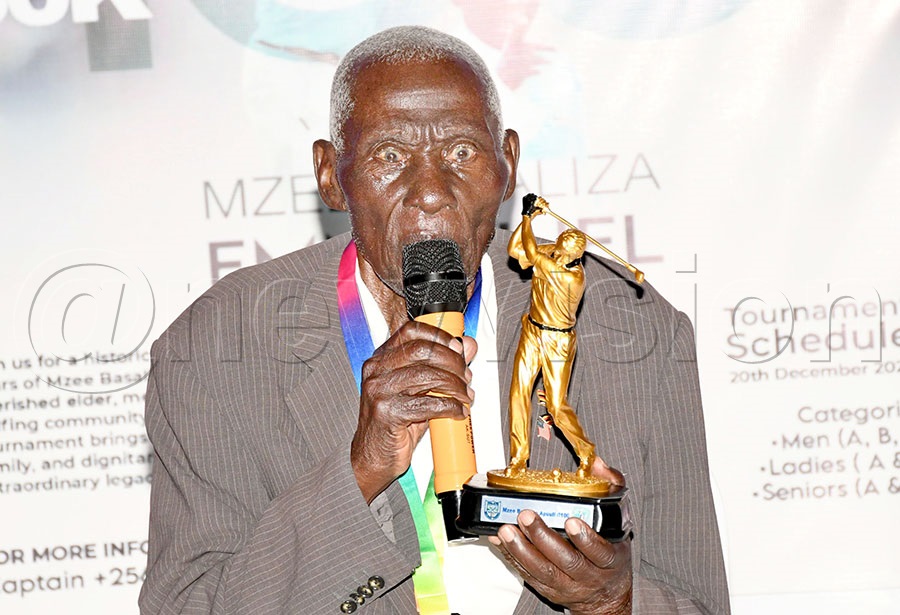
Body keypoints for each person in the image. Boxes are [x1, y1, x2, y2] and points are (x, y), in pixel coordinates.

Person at [140, 26, 730, 615]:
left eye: (461, 152)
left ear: (508, 163)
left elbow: (700, 603)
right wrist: (363, 468)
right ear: (330, 174)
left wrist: (613, 603)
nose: (430, 191)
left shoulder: (633, 327)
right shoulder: (214, 348)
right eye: (389, 156)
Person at [505, 196, 597, 479]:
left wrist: (527, 216)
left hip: (558, 342)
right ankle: (519, 459)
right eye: (559, 246)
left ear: (575, 257)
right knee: (518, 393)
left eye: (565, 251)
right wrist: (528, 220)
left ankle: (586, 453)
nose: (559, 252)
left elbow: (531, 253)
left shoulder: (571, 277)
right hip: (532, 331)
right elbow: (516, 249)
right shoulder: (554, 255)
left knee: (556, 407)